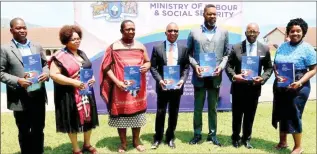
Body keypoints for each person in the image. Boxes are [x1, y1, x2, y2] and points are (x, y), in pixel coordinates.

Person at [100, 20, 151, 153]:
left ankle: (136, 141)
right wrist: (117, 82)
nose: (131, 31)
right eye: (128, 29)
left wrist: (147, 66)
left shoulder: (140, 46)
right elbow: (106, 68)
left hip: (137, 89)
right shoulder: (113, 47)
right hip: (120, 88)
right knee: (122, 116)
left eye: (133, 29)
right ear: (121, 31)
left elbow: (148, 61)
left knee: (137, 116)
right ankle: (123, 143)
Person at [0, 17, 49, 154]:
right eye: (18, 28)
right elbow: (1, 72)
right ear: (11, 30)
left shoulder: (36, 46)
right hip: (20, 97)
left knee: (39, 129)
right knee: (24, 130)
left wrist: (46, 74)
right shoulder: (4, 49)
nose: (22, 30)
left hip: (38, 95)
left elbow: (45, 65)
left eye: (24, 27)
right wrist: (18, 81)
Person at [49, 25, 99, 154]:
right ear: (66, 41)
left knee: (88, 118)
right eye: (73, 39)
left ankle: (87, 144)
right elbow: (54, 75)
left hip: (85, 92)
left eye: (78, 38)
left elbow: (87, 68)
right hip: (69, 94)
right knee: (72, 119)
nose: (77, 41)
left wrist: (92, 77)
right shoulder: (59, 56)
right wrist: (74, 82)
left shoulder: (82, 53)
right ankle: (76, 148)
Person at [187, 4, 229, 146]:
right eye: (209, 14)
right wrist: (196, 66)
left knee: (213, 108)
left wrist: (221, 67)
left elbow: (226, 54)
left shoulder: (223, 32)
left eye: (214, 14)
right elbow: (188, 54)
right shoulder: (193, 32)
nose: (212, 16)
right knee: (198, 108)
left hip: (215, 77)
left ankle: (213, 134)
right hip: (199, 77)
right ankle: (197, 134)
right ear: (204, 15)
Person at [272, 18, 316, 154]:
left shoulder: (308, 48)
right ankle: (283, 142)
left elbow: (314, 69)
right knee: (280, 111)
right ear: (288, 33)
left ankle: (298, 147)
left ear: (303, 32)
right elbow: (275, 64)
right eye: (292, 31)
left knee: (294, 114)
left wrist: (300, 82)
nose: (295, 33)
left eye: (298, 31)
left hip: (299, 85)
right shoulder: (282, 46)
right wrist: (276, 74)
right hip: (281, 83)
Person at [225, 23, 273, 149]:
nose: (252, 34)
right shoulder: (236, 47)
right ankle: (235, 138)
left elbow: (269, 68)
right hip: (238, 88)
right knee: (237, 115)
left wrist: (262, 78)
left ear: (258, 33)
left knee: (250, 115)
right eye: (249, 31)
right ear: (245, 32)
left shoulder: (264, 49)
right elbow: (228, 66)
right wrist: (235, 76)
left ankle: (246, 139)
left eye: (254, 31)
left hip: (254, 88)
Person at [150, 22, 190, 149]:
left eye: (176, 31)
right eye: (170, 30)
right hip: (163, 87)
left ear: (178, 33)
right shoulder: (157, 48)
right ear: (166, 32)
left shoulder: (184, 49)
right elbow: (153, 67)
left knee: (174, 113)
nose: (173, 33)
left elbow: (186, 68)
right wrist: (160, 80)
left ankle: (170, 137)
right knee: (160, 112)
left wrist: (182, 80)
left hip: (177, 88)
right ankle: (157, 137)